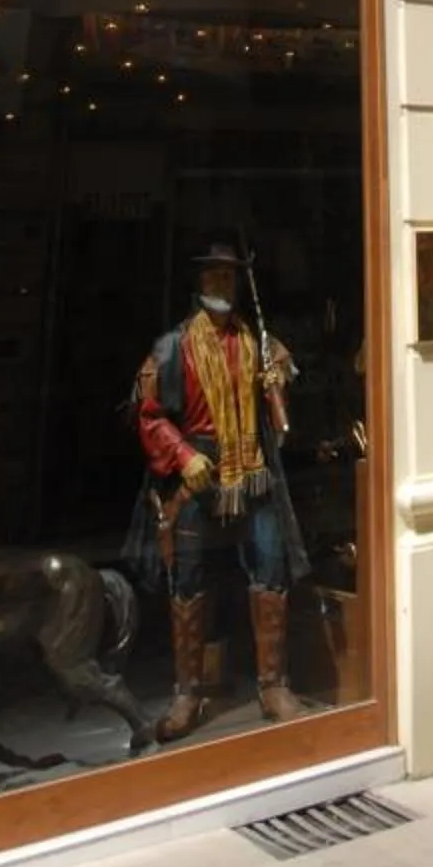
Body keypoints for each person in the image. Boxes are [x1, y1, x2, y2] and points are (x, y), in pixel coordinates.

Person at [128, 238, 309, 740]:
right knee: (187, 583)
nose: (222, 285)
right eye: (213, 277)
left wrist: (277, 381)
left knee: (270, 571)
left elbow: (279, 397)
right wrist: (183, 456)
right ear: (199, 283)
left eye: (229, 277)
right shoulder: (173, 347)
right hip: (197, 474)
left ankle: (273, 685)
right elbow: (149, 416)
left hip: (252, 471)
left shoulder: (260, 342)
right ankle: (188, 694)